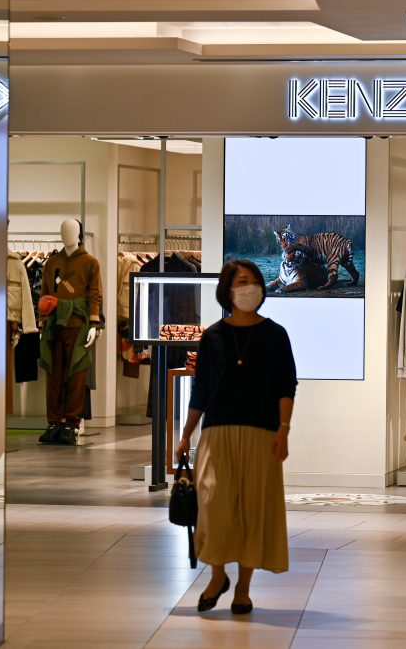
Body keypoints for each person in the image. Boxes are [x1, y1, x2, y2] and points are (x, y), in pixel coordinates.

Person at [175, 259, 297, 615]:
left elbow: (286, 387)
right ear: (227, 290)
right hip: (217, 433)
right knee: (213, 506)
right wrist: (185, 435)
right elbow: (201, 391)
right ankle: (217, 576)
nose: (250, 287)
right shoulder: (212, 336)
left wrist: (284, 431)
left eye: (254, 281)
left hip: (262, 434)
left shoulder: (275, 335)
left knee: (251, 512)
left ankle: (243, 589)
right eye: (241, 281)